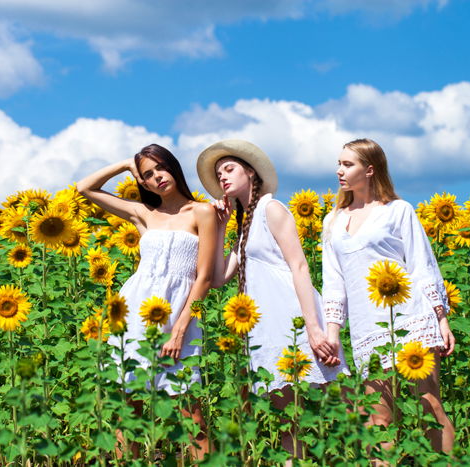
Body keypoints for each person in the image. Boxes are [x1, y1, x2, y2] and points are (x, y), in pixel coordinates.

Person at [76, 143, 216, 458]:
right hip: (135, 315)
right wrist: (127, 165)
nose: (156, 178)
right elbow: (84, 188)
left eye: (160, 168)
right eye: (147, 174)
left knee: (190, 413)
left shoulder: (202, 212)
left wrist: (180, 330)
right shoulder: (144, 214)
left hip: (179, 316)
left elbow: (204, 278)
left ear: (174, 167)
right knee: (129, 410)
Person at [197, 139, 347, 427]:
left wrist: (314, 329)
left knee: (331, 415)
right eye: (219, 175)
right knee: (289, 420)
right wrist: (221, 225)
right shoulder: (244, 225)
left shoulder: (271, 208)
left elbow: (300, 267)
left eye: (229, 169)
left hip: (294, 323)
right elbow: (218, 278)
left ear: (251, 172)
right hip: (269, 329)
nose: (223, 177)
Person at [322, 138, 455, 452]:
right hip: (369, 327)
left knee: (429, 408)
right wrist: (333, 333)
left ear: (369, 170)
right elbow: (334, 282)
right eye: (338, 163)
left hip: (412, 319)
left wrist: (442, 319)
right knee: (377, 418)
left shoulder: (398, 211)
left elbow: (422, 265)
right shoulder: (334, 221)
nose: (339, 170)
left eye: (347, 164)